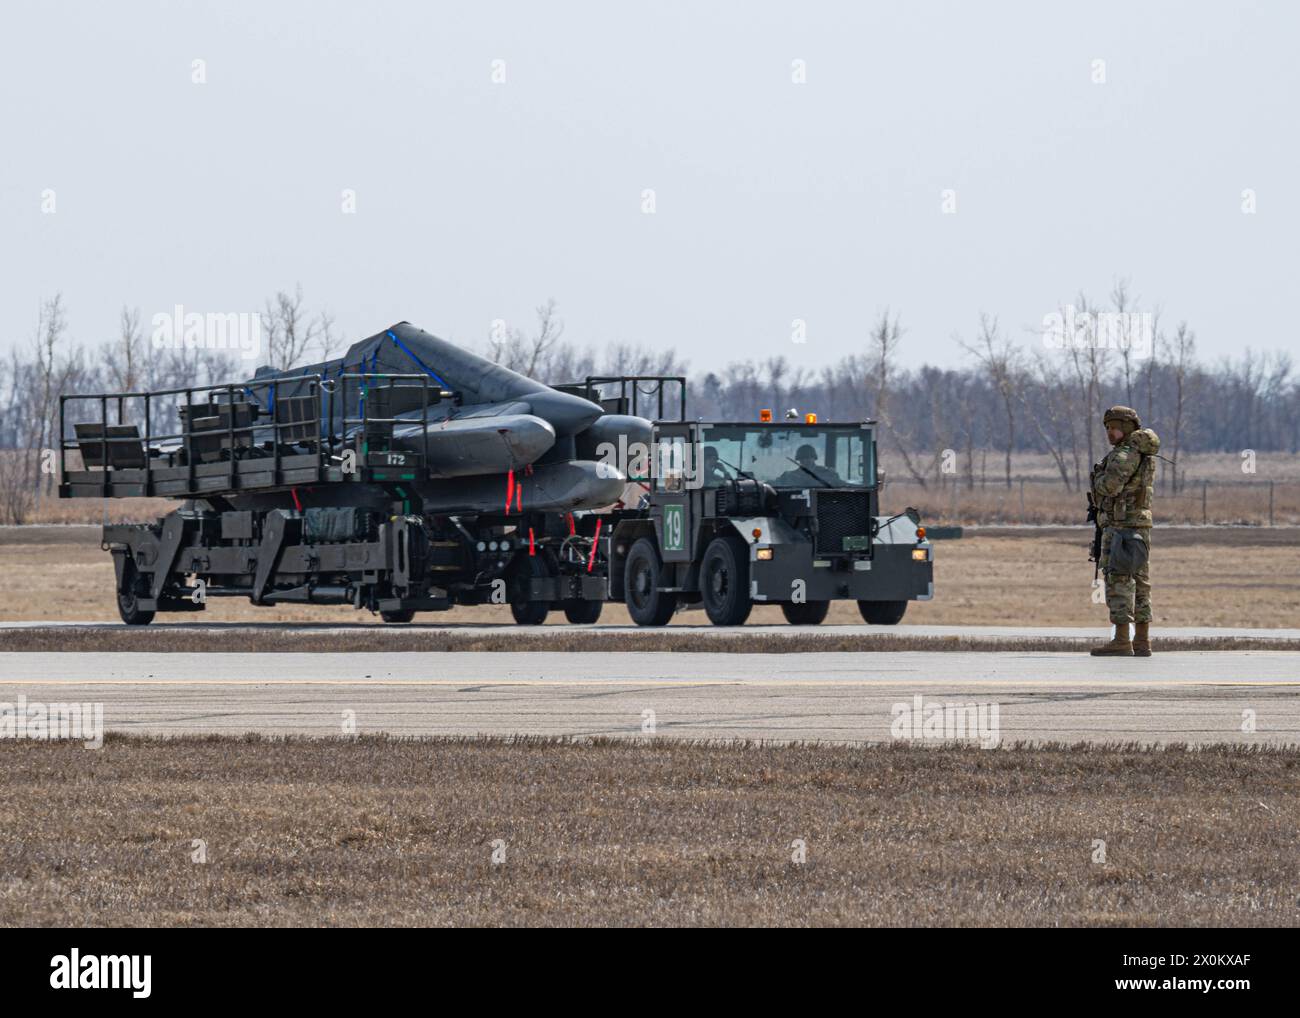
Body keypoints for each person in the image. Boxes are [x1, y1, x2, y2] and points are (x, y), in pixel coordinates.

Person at [1089, 405, 1160, 657]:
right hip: (1139, 525)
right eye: (1108, 428)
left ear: (1127, 428)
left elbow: (1109, 487)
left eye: (1114, 428)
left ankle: (1121, 639)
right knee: (1140, 582)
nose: (1110, 433)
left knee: (1119, 580)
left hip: (1121, 526)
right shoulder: (1141, 452)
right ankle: (1142, 640)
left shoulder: (1124, 454)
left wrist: (1097, 478)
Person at [774, 443, 844, 487]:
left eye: (808, 457)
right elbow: (774, 484)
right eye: (802, 458)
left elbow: (841, 485)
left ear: (814, 458)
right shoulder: (789, 476)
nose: (805, 460)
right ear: (799, 459)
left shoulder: (828, 473)